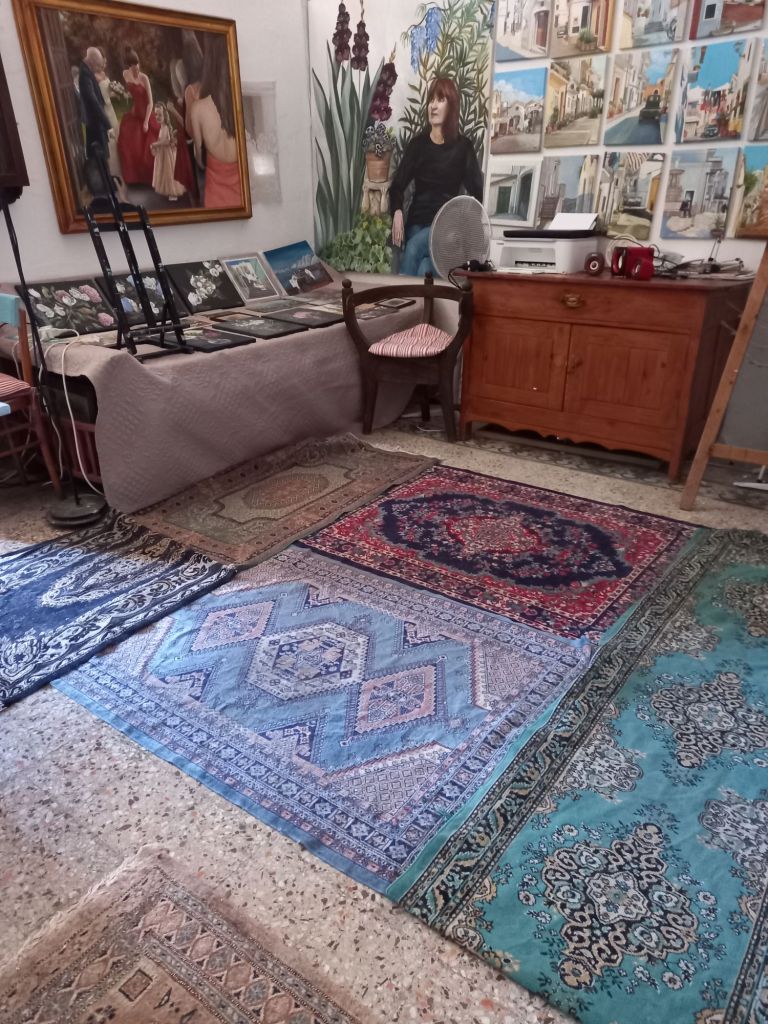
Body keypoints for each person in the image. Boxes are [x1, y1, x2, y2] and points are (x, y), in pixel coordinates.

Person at [389, 77, 483, 277]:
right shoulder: (417, 146)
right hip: (416, 225)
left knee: (413, 249)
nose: (433, 105)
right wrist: (397, 211)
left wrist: (460, 227)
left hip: (445, 228)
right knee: (424, 268)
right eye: (431, 99)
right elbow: (397, 186)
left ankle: (400, 295)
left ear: (451, 106)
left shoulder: (463, 148)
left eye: (440, 100)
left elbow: (476, 196)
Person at [189, 33, 242, 208]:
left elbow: (199, 161)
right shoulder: (242, 103)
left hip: (215, 195)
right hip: (244, 196)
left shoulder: (198, 108)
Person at [117, 48, 160, 186]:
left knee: (149, 144)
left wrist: (146, 122)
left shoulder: (144, 78)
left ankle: (153, 178)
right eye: (133, 66)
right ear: (128, 66)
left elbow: (151, 102)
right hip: (135, 113)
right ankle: (135, 179)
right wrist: (123, 94)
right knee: (127, 140)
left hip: (146, 113)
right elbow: (130, 93)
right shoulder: (125, 74)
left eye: (138, 64)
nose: (137, 68)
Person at [150, 103, 187, 200]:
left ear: (165, 115)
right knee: (164, 172)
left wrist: (155, 144)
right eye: (156, 114)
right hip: (162, 154)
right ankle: (167, 190)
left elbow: (166, 141)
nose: (157, 117)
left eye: (160, 114)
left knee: (169, 172)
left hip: (167, 154)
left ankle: (173, 192)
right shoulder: (161, 127)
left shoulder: (166, 127)